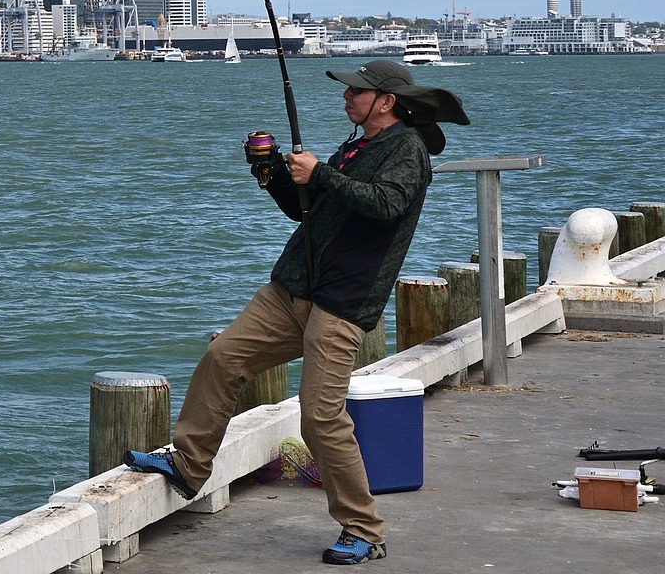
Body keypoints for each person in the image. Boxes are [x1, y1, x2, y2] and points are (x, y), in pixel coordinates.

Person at [124, 58, 468, 566]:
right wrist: (271, 170)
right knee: (224, 357)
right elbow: (303, 208)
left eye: (355, 92)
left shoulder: (407, 151)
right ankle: (190, 465)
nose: (345, 98)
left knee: (321, 419)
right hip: (293, 289)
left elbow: (386, 205)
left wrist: (322, 174)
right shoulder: (357, 145)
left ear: (386, 101)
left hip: (341, 301)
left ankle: (364, 530)